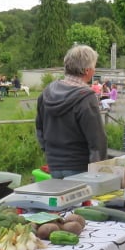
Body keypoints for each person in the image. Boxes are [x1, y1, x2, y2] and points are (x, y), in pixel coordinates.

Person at [35, 45, 107, 178]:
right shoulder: (86, 97)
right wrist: (98, 172)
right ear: (87, 71)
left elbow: (39, 130)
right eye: (94, 67)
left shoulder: (46, 92)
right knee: (81, 199)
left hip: (54, 165)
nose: (94, 70)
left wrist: (50, 154)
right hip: (80, 166)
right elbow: (97, 140)